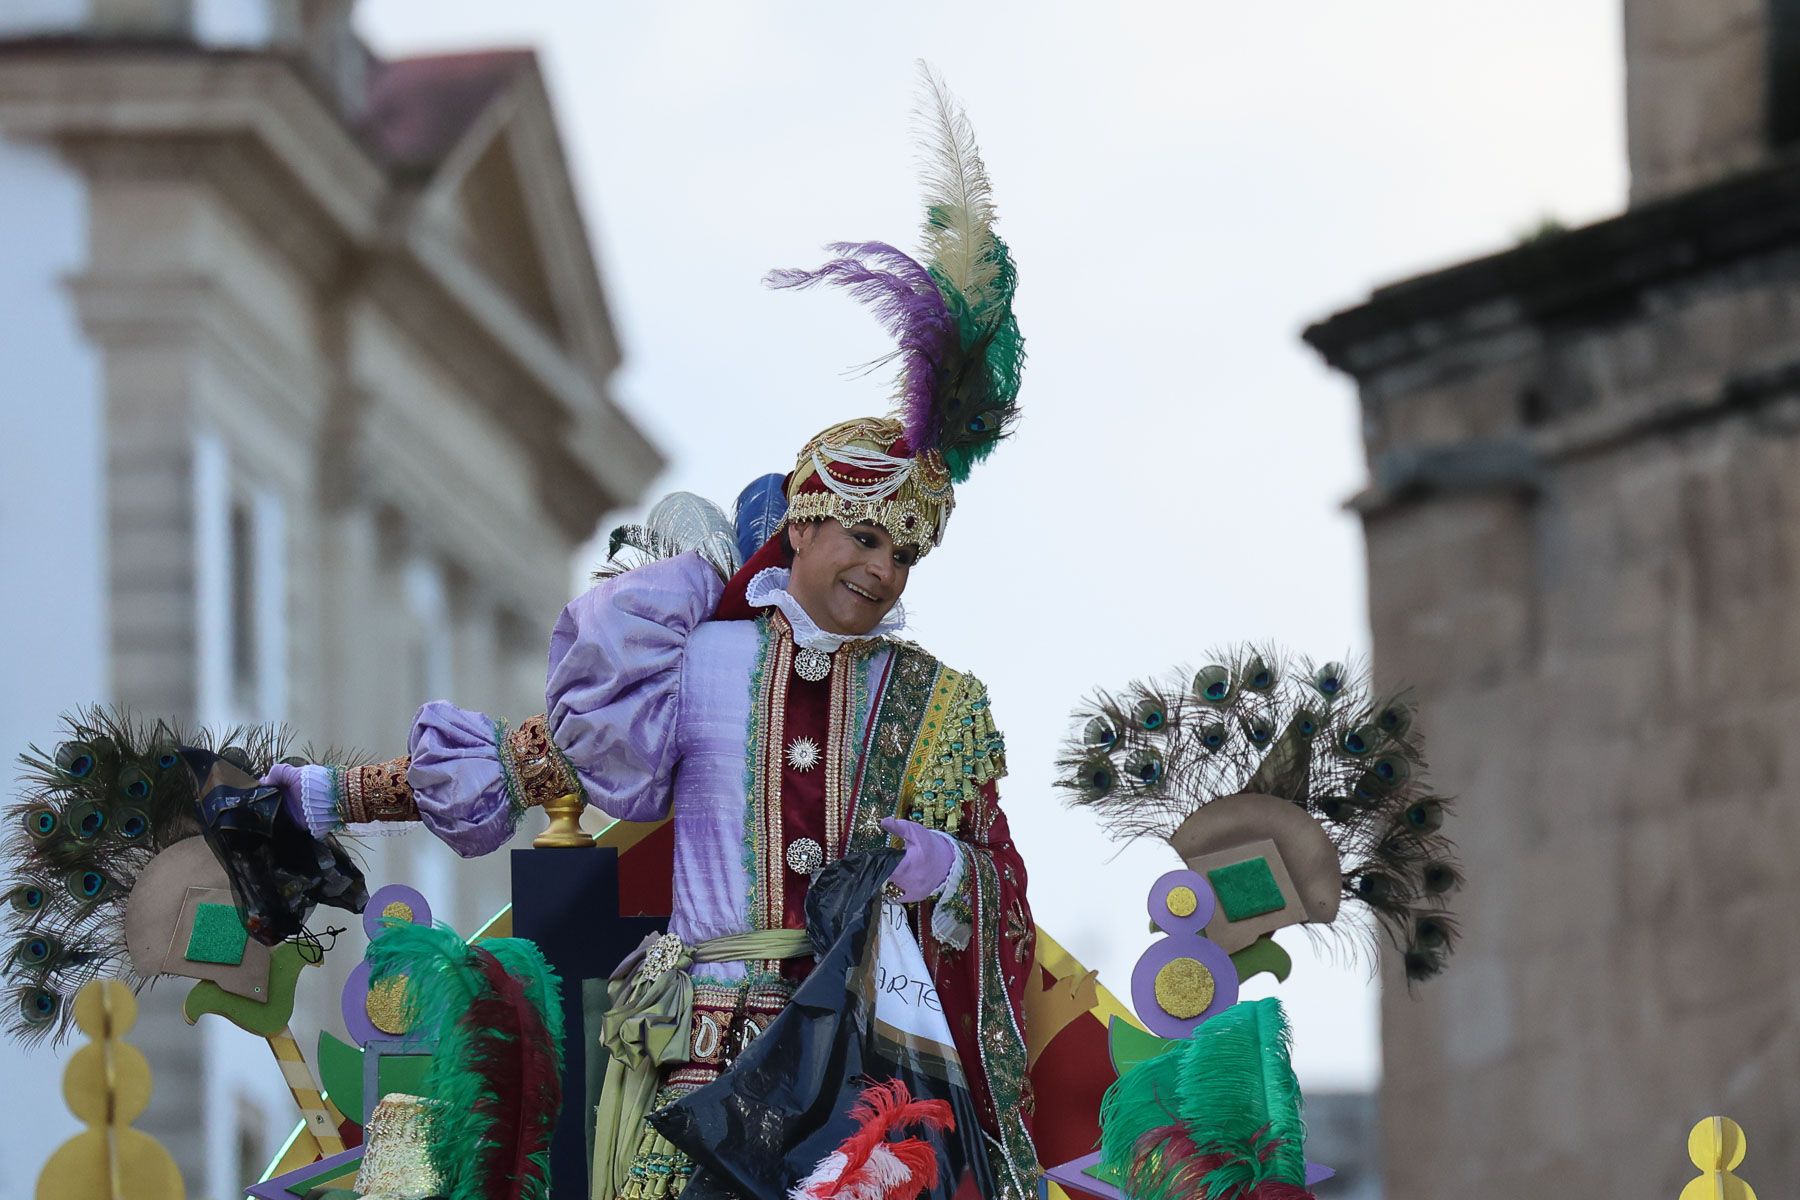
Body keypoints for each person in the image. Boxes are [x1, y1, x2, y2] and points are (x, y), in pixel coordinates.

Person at [268, 70, 1038, 1199]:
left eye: (903, 555)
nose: (879, 572)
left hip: (865, 1072)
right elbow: (544, 765)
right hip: (693, 1055)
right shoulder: (706, 656)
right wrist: (335, 797)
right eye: (862, 540)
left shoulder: (938, 704)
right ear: (809, 525)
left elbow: (1001, 889)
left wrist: (947, 867)